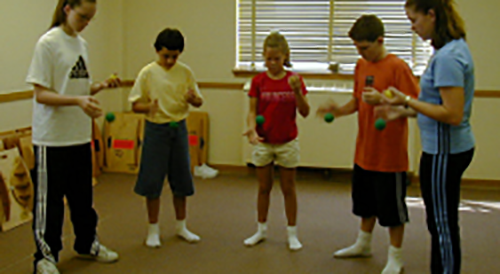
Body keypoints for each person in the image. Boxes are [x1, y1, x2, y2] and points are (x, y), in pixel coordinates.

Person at [317, 15, 419, 274]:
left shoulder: (398, 67)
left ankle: (396, 257)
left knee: (393, 210)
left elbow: (416, 106)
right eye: (357, 48)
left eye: (364, 47)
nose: (360, 53)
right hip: (365, 151)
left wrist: (388, 103)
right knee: (365, 203)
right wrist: (338, 111)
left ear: (380, 40)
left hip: (391, 156)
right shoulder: (361, 66)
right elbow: (357, 101)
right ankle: (363, 244)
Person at [378, 1, 475, 273]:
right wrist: (405, 111)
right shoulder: (449, 49)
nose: (412, 26)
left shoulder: (447, 57)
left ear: (431, 15)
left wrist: (406, 99)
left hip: (445, 151)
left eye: (414, 19)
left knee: (442, 223)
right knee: (438, 222)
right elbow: (436, 106)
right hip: (444, 147)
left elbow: (452, 113)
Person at [26, 0, 120, 273]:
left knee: (82, 198)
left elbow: (75, 86)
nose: (86, 23)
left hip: (79, 136)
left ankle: (87, 243)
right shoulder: (48, 43)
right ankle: (45, 257)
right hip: (51, 139)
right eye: (82, 16)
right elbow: (42, 94)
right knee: (50, 203)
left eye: (91, 19)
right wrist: (79, 101)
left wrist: (99, 86)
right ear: (67, 8)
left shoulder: (82, 45)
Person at [129, 28, 203, 248]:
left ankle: (181, 227)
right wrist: (147, 107)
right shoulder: (148, 73)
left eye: (175, 56)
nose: (170, 60)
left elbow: (199, 101)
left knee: (181, 179)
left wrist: (193, 99)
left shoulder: (185, 72)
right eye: (165, 56)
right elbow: (134, 105)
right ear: (156, 51)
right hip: (155, 130)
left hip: (179, 129)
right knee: (152, 181)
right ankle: (153, 230)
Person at [243, 32, 310, 251]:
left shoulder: (294, 79)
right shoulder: (258, 81)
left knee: (288, 188)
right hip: (264, 141)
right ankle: (261, 231)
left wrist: (297, 91)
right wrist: (251, 129)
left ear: (285, 57)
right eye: (268, 59)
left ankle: (292, 233)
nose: (272, 63)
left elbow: (305, 111)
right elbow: (252, 111)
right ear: (264, 56)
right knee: (264, 188)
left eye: (277, 59)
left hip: (287, 141)